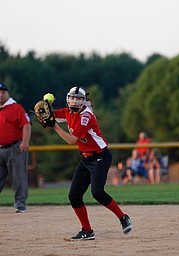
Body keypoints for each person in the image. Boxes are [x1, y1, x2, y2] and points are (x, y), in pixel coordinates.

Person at [52, 86, 132, 240]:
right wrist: (44, 111)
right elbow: (51, 116)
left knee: (97, 192)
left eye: (79, 98)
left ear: (84, 101)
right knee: (74, 196)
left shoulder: (86, 116)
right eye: (72, 98)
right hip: (86, 158)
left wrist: (53, 126)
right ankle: (87, 231)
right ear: (68, 98)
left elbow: (71, 140)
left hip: (100, 156)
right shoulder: (68, 112)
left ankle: (123, 217)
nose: (75, 101)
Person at [0, 83, 31, 213]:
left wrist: (24, 142)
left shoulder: (16, 108)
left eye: (3, 92)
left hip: (15, 148)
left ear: (8, 94)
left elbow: (26, 125)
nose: (1, 94)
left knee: (18, 177)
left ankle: (20, 204)